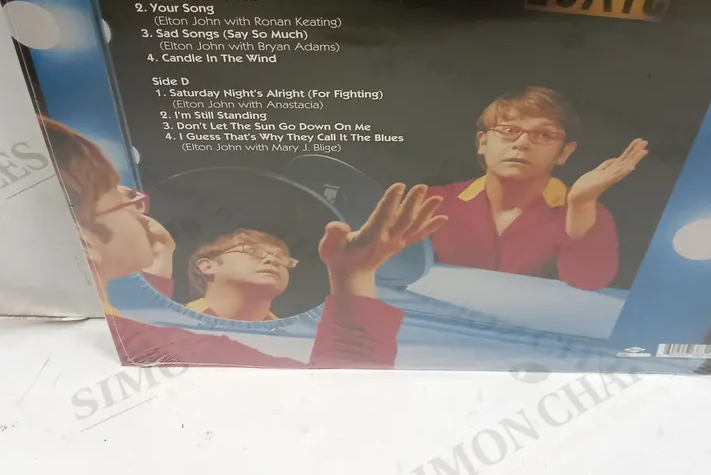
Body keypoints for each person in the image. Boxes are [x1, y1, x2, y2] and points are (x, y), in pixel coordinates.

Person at [39, 116, 447, 368]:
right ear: (206, 264)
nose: (141, 205)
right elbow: (343, 386)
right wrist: (354, 277)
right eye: (121, 197)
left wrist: (154, 274)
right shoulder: (178, 346)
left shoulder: (127, 326)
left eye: (284, 258)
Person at [428, 87, 647, 290]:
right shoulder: (433, 201)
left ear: (564, 152)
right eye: (509, 130)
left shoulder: (589, 213)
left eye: (544, 135)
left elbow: (588, 282)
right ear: (482, 142)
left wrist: (581, 204)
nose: (522, 143)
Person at [184, 229, 300, 322]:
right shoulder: (175, 321)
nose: (273, 260)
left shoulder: (299, 340)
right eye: (252, 251)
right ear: (208, 266)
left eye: (281, 258)